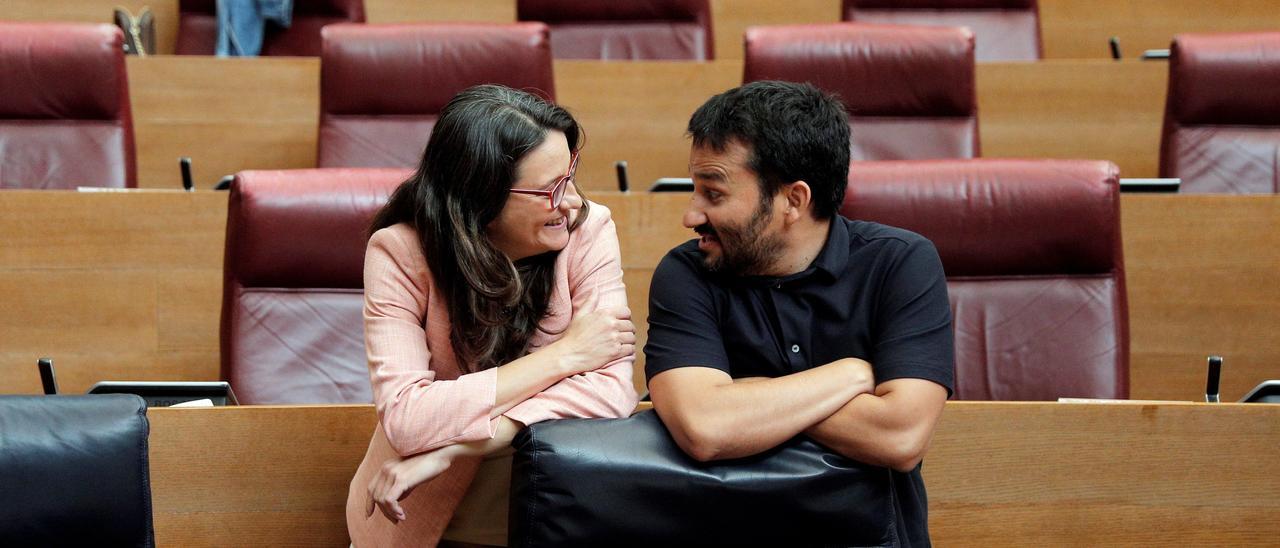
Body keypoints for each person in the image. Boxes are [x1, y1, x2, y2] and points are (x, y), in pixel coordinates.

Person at [644, 80, 954, 547]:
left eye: (714, 194)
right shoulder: (687, 272)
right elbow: (705, 426)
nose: (691, 215)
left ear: (794, 200)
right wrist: (849, 375)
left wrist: (746, 397)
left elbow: (900, 438)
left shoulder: (901, 262)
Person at [345, 84, 639, 547]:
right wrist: (565, 356)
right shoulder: (400, 252)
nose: (570, 202)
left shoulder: (590, 229)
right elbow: (407, 417)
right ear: (478, 200)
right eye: (548, 190)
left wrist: (457, 447)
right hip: (414, 512)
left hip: (551, 508)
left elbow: (611, 392)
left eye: (570, 176)